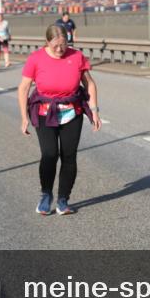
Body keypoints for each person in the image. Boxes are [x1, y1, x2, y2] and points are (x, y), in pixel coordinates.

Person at [17, 24, 102, 216]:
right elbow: (23, 88)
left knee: (69, 156)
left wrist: (95, 111)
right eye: (55, 45)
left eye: (63, 44)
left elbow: (89, 83)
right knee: (49, 154)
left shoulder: (76, 56)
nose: (59, 49)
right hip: (44, 112)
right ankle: (46, 195)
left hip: (72, 112)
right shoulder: (36, 58)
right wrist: (23, 117)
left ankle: (63, 200)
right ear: (47, 42)